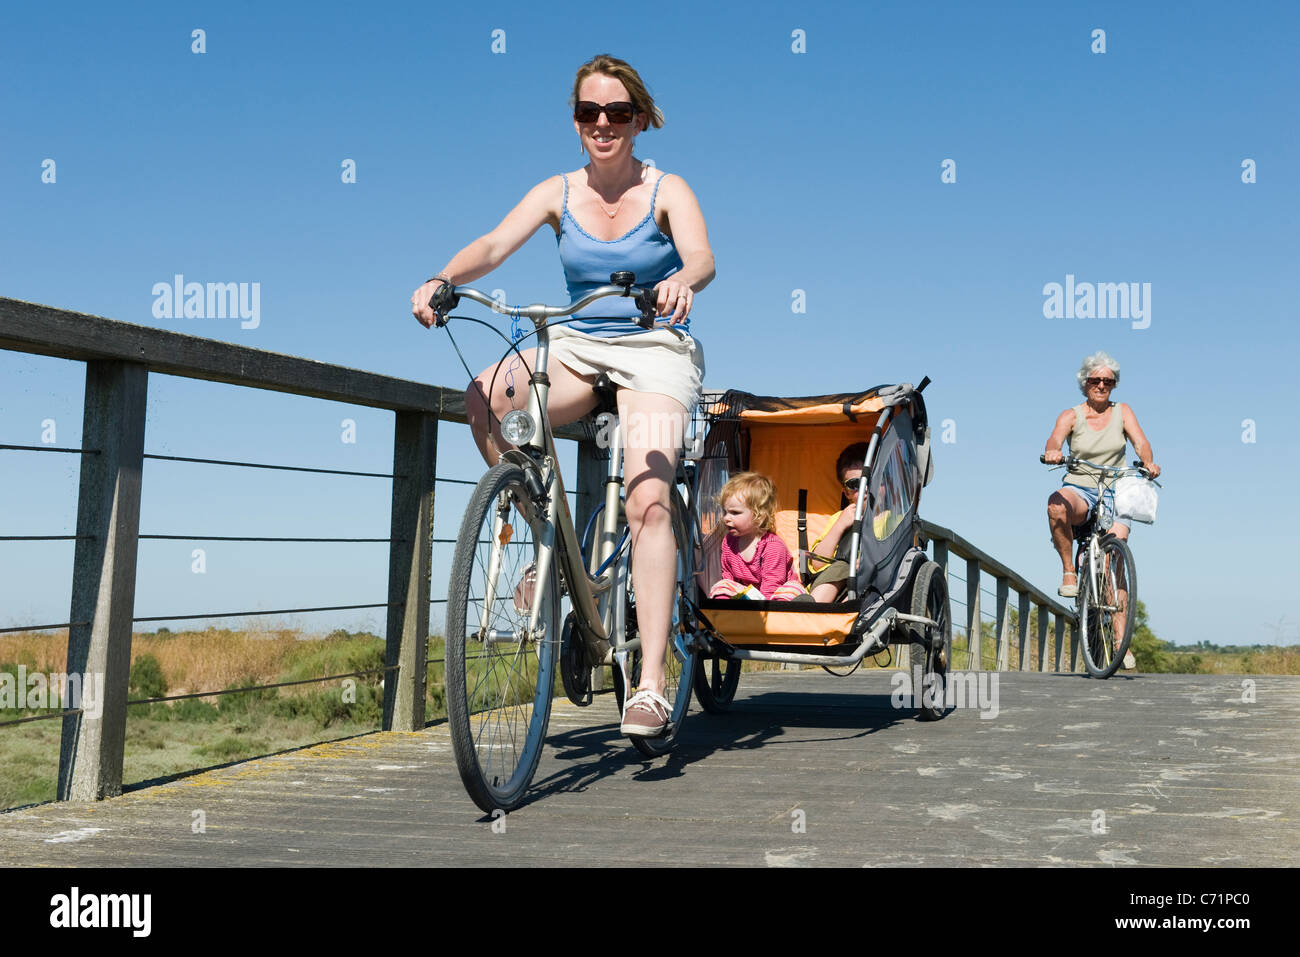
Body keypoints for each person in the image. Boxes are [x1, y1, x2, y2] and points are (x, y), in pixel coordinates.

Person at [411, 54, 715, 738]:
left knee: (648, 501)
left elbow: (701, 255)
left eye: (616, 113)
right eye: (588, 113)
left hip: (652, 345)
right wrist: (442, 278)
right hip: (577, 343)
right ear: (575, 123)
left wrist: (681, 283)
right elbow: (494, 242)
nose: (602, 124)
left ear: (638, 119)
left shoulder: (668, 188)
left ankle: (652, 685)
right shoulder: (559, 191)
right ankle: (548, 542)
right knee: (485, 397)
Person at [1043, 351, 1161, 669]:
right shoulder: (1071, 416)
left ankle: (1121, 642)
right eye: (1095, 380)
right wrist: (1053, 452)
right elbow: (1054, 441)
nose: (1101, 385)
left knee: (1114, 559)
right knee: (1057, 506)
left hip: (1117, 488)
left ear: (1114, 385)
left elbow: (1141, 442)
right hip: (1080, 486)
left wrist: (1148, 460)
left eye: (1107, 381)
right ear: (1085, 383)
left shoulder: (1123, 412)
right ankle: (1069, 569)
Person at [709, 473, 811, 601]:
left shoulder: (772, 546)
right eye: (725, 512)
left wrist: (760, 613)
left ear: (760, 516)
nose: (726, 518)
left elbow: (772, 585)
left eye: (735, 513)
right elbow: (729, 577)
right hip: (749, 595)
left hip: (776, 594)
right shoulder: (729, 542)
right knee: (722, 586)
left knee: (792, 589)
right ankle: (725, 616)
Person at [805, 442, 869, 602]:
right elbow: (817, 564)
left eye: (870, 480)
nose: (865, 489)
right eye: (855, 484)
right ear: (846, 493)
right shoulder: (839, 517)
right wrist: (840, 525)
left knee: (849, 571)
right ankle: (812, 607)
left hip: (869, 582)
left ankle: (814, 610)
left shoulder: (890, 517)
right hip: (834, 583)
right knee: (841, 567)